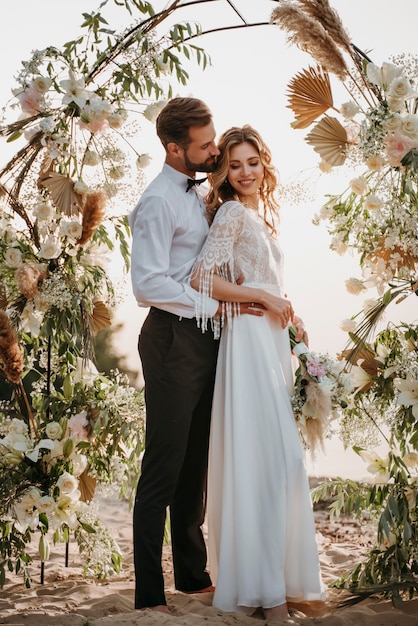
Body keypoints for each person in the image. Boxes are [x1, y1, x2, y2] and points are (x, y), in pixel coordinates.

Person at [128, 98, 265, 614]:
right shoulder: (160, 200)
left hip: (205, 336)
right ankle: (147, 595)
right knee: (162, 465)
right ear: (174, 148)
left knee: (194, 466)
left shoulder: (199, 192)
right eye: (206, 145)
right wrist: (213, 304)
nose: (214, 151)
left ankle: (190, 575)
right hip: (170, 339)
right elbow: (148, 284)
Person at [190, 125, 325, 619]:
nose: (245, 172)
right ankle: (266, 597)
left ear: (263, 163)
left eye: (252, 162)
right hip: (246, 346)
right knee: (269, 464)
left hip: (271, 345)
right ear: (224, 171)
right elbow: (201, 277)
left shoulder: (259, 217)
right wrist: (261, 297)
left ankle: (273, 587)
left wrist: (292, 316)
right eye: (235, 164)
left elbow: (265, 282)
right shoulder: (229, 212)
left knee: (278, 464)